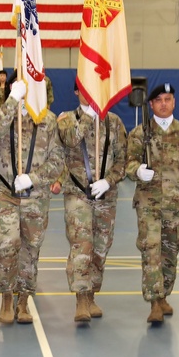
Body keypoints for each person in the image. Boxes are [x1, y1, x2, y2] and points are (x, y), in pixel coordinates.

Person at [0, 77, 63, 324]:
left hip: (36, 195)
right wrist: (12, 101)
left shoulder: (48, 121)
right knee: (7, 244)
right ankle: (7, 296)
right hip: (5, 192)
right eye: (22, 89)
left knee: (31, 249)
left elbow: (57, 161)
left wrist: (33, 178)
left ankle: (23, 300)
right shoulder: (0, 115)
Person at [125, 83, 179, 324]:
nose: (164, 104)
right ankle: (154, 301)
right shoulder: (140, 134)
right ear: (151, 104)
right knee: (151, 251)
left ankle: (164, 294)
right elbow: (127, 164)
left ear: (174, 102)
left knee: (170, 252)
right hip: (148, 204)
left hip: (175, 204)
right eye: (158, 100)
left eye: (168, 99)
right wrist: (137, 170)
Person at [57, 85, 127, 322]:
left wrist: (110, 180)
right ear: (76, 92)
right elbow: (71, 139)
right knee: (82, 244)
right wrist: (90, 114)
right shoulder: (66, 119)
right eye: (85, 88)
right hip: (77, 193)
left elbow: (123, 159)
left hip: (106, 195)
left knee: (101, 247)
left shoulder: (114, 122)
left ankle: (92, 292)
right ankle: (81, 298)